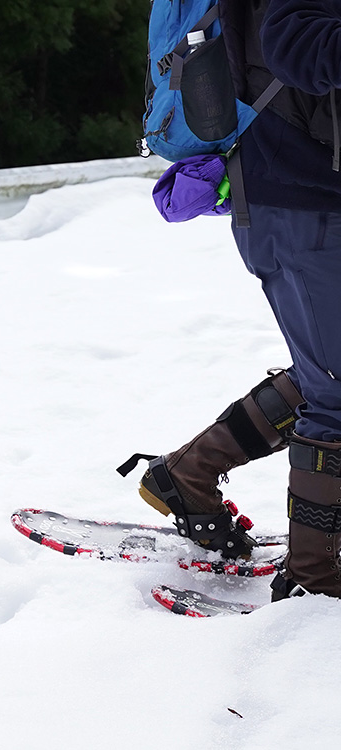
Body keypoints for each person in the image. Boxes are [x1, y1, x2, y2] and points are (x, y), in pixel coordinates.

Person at [129, 0, 341, 600]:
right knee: (335, 391)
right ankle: (318, 582)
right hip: (299, 202)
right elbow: (297, 45)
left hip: (314, 195)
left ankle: (187, 473)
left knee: (328, 373)